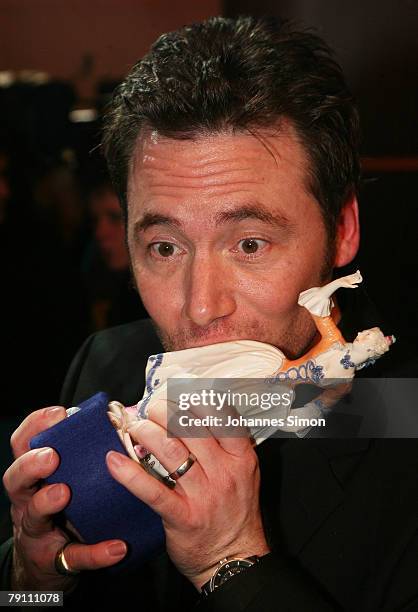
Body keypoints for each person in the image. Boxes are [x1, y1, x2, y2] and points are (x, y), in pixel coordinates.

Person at [1, 15, 417, 611]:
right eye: (165, 248)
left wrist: (231, 562)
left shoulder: (400, 425)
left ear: (342, 231)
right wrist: (30, 580)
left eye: (250, 244)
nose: (200, 307)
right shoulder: (107, 365)